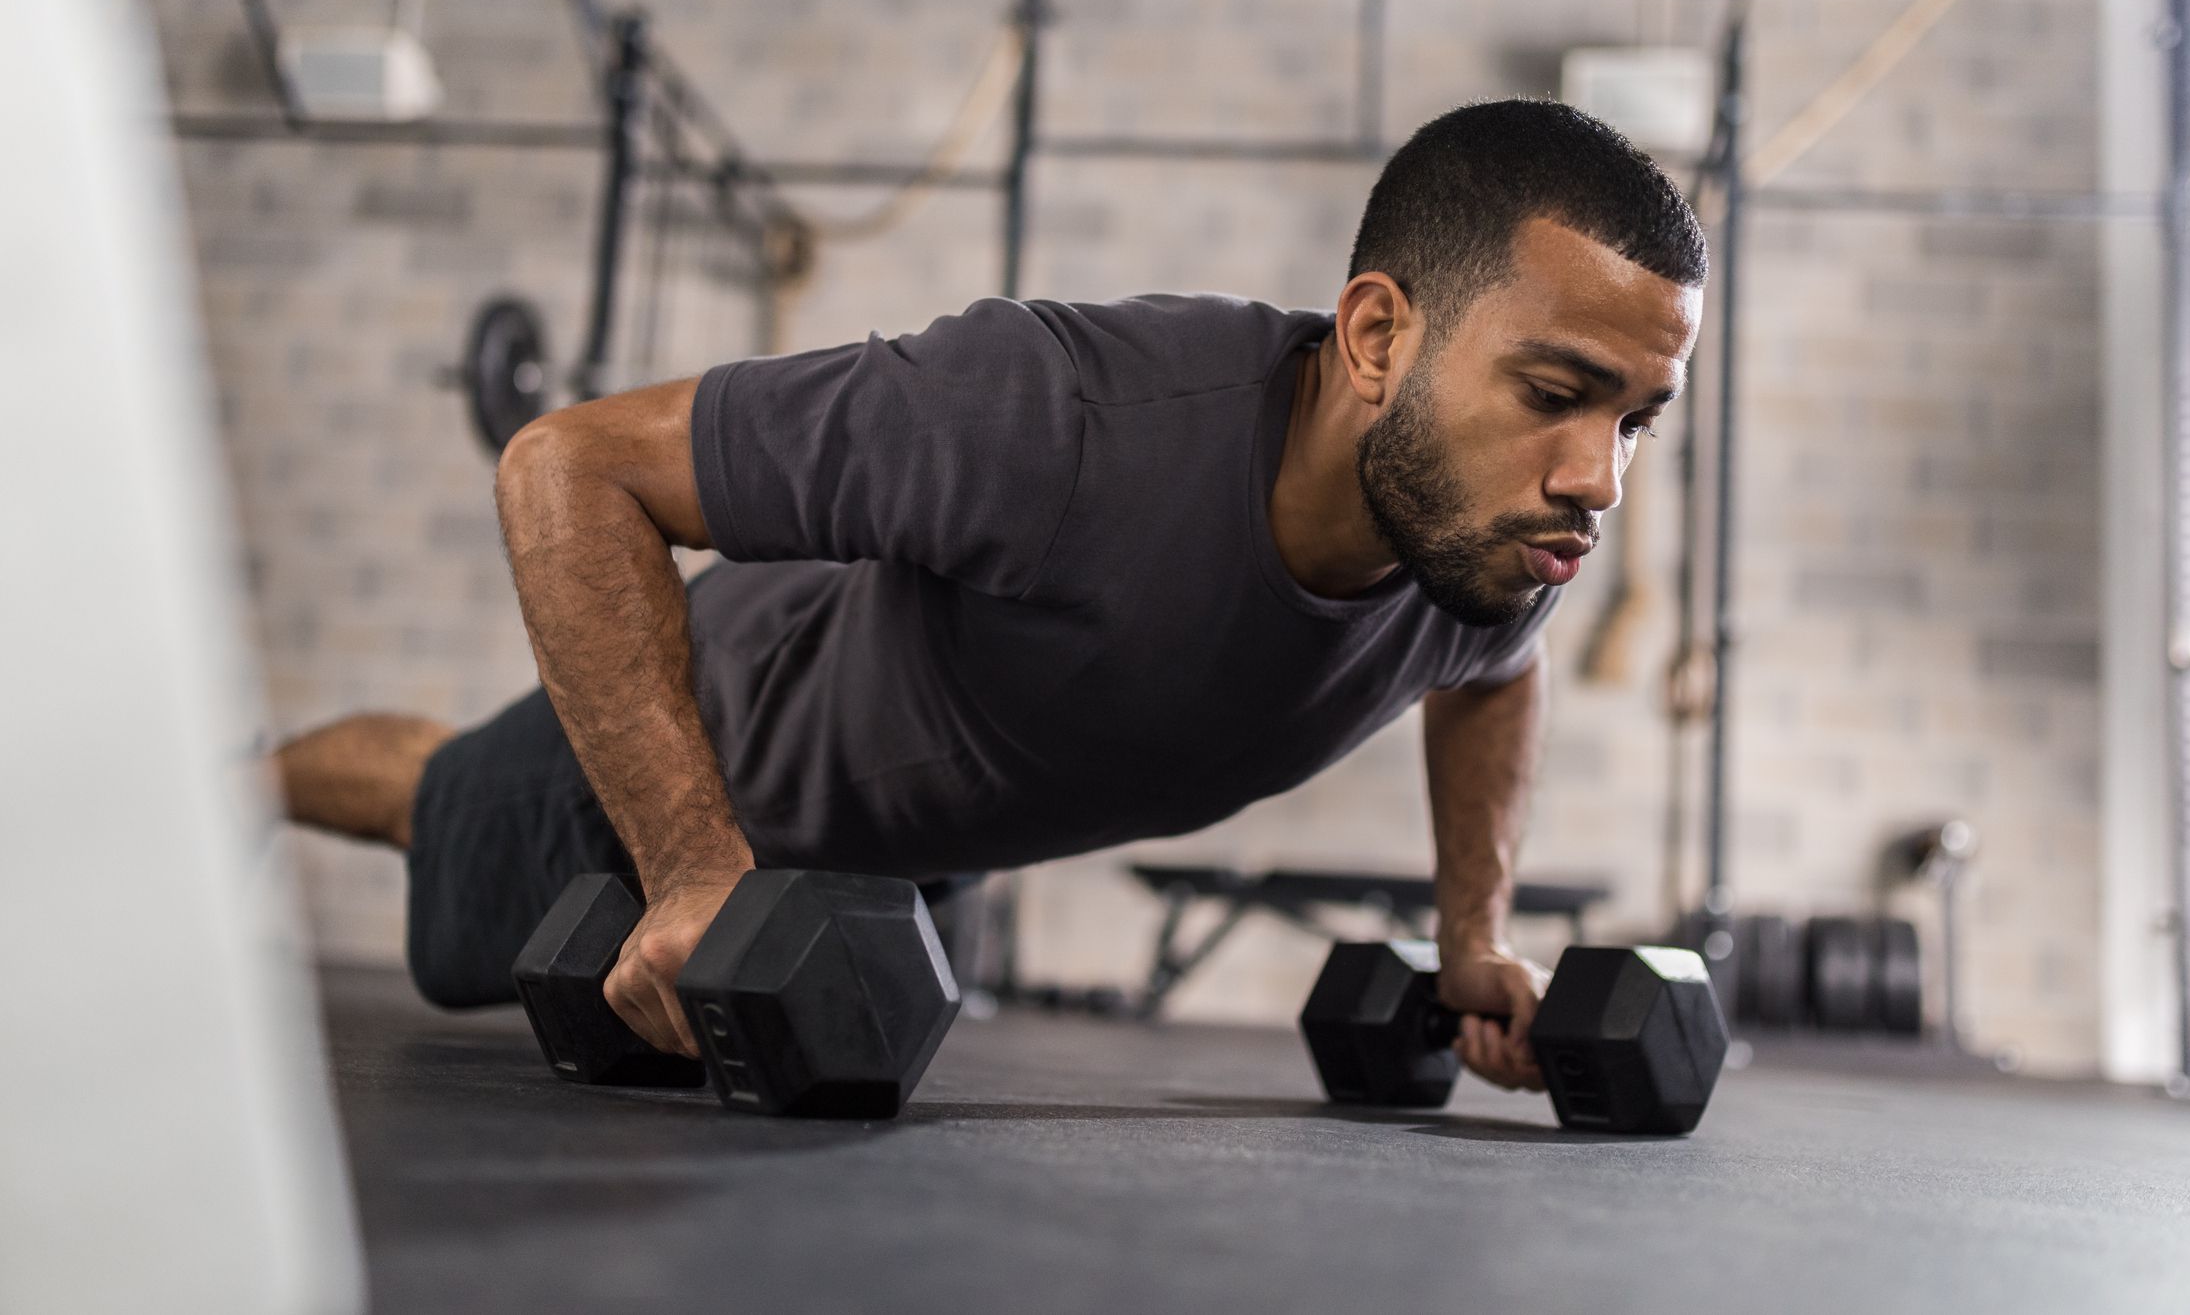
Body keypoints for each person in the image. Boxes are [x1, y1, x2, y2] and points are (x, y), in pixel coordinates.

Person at [277, 98, 1704, 1096]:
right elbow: (566, 464)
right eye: (1555, 393)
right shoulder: (1057, 417)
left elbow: (1492, 674)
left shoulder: (1494, 542)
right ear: (1380, 332)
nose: (1600, 476)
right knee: (437, 802)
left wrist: (1473, 935)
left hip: (908, 870)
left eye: (1638, 418)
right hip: (710, 772)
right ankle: (232, 781)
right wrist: (697, 868)